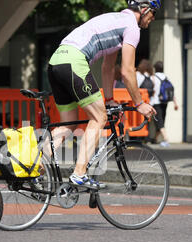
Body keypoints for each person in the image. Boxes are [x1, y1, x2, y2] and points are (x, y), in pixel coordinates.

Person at [47, 0, 160, 189]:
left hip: (56, 61)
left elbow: (108, 68)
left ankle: (34, 166)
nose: (153, 19)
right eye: (153, 13)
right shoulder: (132, 28)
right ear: (144, 9)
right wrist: (139, 103)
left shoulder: (115, 19)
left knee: (68, 125)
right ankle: (80, 173)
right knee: (99, 118)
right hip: (75, 61)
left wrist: (108, 99)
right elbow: (127, 71)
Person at [152, 60, 179, 147]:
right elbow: (171, 91)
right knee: (161, 120)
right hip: (165, 102)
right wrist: (175, 103)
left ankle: (166, 139)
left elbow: (152, 90)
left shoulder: (154, 78)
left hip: (156, 102)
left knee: (159, 121)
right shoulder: (166, 77)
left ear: (155, 69)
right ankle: (155, 139)